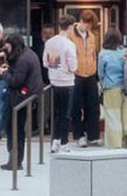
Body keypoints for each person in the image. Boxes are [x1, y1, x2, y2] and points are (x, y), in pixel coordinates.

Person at [0, 33, 42, 171]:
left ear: (13, 45)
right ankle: (15, 160)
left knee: (14, 129)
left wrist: (3, 72)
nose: (6, 49)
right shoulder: (28, 54)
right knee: (16, 129)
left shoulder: (23, 59)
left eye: (8, 46)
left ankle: (15, 161)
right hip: (27, 95)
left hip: (21, 97)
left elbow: (16, 81)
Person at [42, 15, 78, 153]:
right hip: (67, 82)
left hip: (53, 81)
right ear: (70, 27)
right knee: (65, 114)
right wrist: (69, 69)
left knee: (56, 113)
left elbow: (45, 63)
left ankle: (55, 141)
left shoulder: (50, 42)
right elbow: (73, 66)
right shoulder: (69, 44)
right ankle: (63, 142)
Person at [96, 28, 127, 148]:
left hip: (111, 88)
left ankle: (115, 144)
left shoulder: (103, 54)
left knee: (113, 116)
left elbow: (100, 74)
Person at [67, 11, 101, 148]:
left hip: (91, 74)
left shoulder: (92, 36)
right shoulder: (70, 35)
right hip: (76, 74)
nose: (88, 28)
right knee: (76, 107)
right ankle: (79, 135)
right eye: (87, 24)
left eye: (91, 26)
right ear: (81, 21)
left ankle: (93, 135)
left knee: (93, 106)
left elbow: (94, 54)